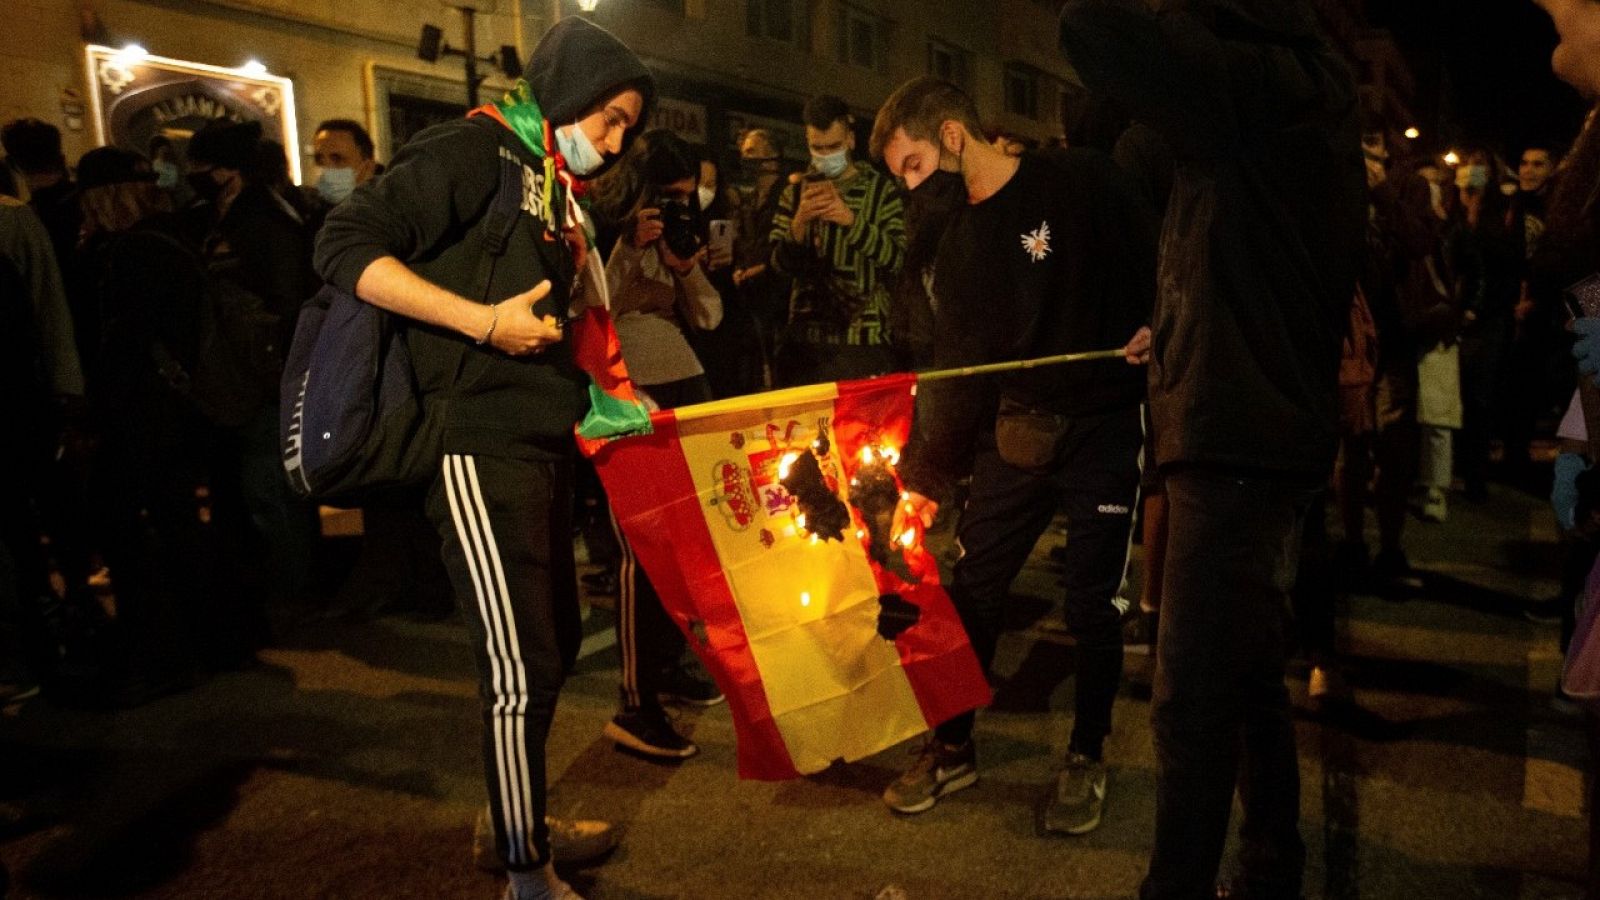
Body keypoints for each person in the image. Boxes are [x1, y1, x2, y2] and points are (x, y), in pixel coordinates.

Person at [315, 17, 652, 899]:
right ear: (569, 93)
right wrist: (480, 323)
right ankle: (522, 871)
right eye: (610, 118)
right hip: (473, 444)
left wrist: (609, 398)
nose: (614, 142)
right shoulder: (472, 152)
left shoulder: (546, 180)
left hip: (538, 445)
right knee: (517, 664)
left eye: (625, 127)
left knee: (550, 649)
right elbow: (343, 244)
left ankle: (516, 820)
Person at [1060, 2, 1367, 897]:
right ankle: (1272, 861)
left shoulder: (1268, 83)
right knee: (1243, 674)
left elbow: (1099, 31)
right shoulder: (1289, 88)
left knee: (1190, 697)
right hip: (1251, 425)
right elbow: (1238, 254)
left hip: (1239, 437)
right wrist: (1181, 326)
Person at [873, 76, 1157, 834]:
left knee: (1095, 605)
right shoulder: (955, 241)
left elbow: (1163, 258)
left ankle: (1087, 754)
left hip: (1103, 424)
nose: (909, 186)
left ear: (954, 137)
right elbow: (958, 369)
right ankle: (954, 744)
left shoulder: (1081, 178)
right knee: (977, 584)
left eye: (911, 165)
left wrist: (1159, 323)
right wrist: (930, 471)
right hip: (1017, 429)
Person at [588, 128, 726, 759]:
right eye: (666, 197)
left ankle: (668, 665)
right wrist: (622, 247)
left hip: (684, 392)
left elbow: (710, 316)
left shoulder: (678, 238)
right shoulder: (603, 231)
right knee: (641, 553)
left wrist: (685, 264)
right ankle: (634, 705)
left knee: (687, 544)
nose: (678, 208)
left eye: (685, 196)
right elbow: (590, 313)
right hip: (627, 398)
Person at [75, 147, 211, 703]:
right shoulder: (175, 239)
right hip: (177, 410)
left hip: (136, 414)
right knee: (181, 523)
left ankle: (159, 656)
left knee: (129, 534)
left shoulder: (125, 253)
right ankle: (212, 640)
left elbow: (122, 343)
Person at [187, 119, 320, 649]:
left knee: (273, 492)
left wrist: (278, 374)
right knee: (257, 491)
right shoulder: (222, 219)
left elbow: (286, 306)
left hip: (265, 379)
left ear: (229, 172)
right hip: (240, 379)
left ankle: (296, 595)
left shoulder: (265, 223)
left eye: (202, 168)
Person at [0, 160, 86, 705]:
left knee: (21, 537)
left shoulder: (12, 225)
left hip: (20, 414)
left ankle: (35, 651)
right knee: (28, 535)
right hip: (27, 410)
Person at [769, 95, 905, 386]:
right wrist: (799, 222)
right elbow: (777, 267)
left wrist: (851, 221)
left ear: (851, 140)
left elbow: (898, 259)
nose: (825, 155)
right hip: (804, 344)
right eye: (817, 148)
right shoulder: (793, 194)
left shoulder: (881, 191)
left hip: (863, 341)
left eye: (833, 147)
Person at [312, 118, 379, 207]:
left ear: (368, 167)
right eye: (319, 160)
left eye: (337, 159)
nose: (325, 168)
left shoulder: (391, 213)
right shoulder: (307, 213)